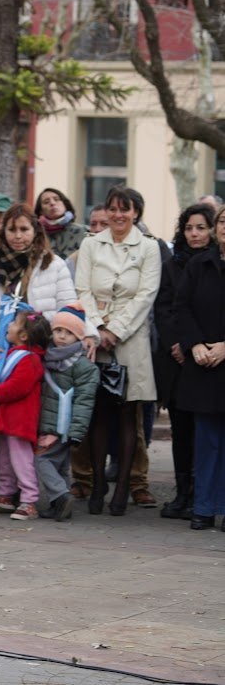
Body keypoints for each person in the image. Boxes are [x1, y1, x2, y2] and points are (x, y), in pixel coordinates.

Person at [74, 185, 161, 516]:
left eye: (125, 209)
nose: (118, 215)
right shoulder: (91, 243)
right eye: (112, 208)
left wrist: (116, 330)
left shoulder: (149, 247)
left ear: (136, 213)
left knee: (128, 413)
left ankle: (123, 485)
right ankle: (97, 483)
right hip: (95, 336)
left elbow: (146, 294)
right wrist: (98, 328)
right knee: (98, 412)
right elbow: (82, 289)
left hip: (131, 338)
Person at [155, 203, 217, 520]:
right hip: (178, 360)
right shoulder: (173, 264)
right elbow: (165, 308)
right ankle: (182, 493)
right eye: (189, 228)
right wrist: (178, 344)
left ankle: (202, 495)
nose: (194, 234)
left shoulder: (215, 263)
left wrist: (198, 344)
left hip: (210, 358)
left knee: (206, 431)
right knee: (181, 429)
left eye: (201, 228)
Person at [0, 204, 87, 355]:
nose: (18, 236)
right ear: (4, 231)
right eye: (12, 230)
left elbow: (67, 306)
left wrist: (88, 333)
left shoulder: (54, 264)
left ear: (35, 231)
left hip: (41, 348)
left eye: (24, 229)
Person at [174, 207, 225, 530]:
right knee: (206, 441)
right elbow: (182, 307)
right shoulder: (199, 264)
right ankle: (204, 507)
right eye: (223, 221)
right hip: (203, 364)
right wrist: (194, 344)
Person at [0, 311, 51, 520]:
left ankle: (29, 499)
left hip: (20, 420)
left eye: (14, 323)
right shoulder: (12, 354)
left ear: (23, 335)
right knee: (2, 458)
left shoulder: (30, 359)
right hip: (5, 418)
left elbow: (17, 387)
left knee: (21, 460)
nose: (8, 325)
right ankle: (6, 493)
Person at [36, 304, 98, 522]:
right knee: (60, 465)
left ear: (79, 336)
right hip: (47, 421)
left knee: (40, 460)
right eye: (58, 330)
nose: (62, 336)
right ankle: (60, 507)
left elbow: (84, 401)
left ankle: (62, 495)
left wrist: (76, 432)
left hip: (63, 426)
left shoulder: (84, 366)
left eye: (69, 333)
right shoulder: (47, 355)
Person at [35, 187, 88, 260]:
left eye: (56, 199)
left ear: (65, 204)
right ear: (41, 211)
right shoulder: (36, 234)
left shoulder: (83, 231)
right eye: (46, 202)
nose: (52, 203)